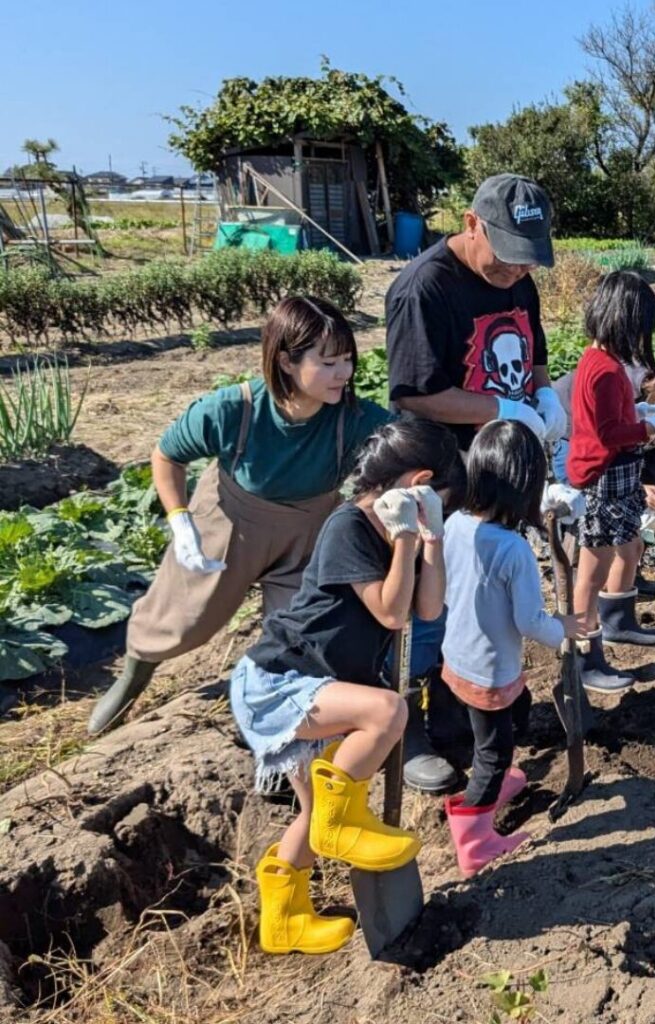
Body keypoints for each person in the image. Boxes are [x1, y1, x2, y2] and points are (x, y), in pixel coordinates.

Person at [88, 296, 392, 736]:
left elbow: (404, 442)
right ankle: (133, 677)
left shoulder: (355, 418)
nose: (343, 373)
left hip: (308, 530)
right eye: (327, 363)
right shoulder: (235, 409)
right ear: (287, 362)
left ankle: (288, 726)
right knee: (183, 616)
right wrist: (179, 519)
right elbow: (166, 455)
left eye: (347, 359)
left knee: (304, 631)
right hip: (231, 522)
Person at [230, 418, 465, 955]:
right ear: (420, 482)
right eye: (442, 503)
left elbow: (426, 608)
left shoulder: (402, 530)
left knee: (316, 810)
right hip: (280, 679)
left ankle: (284, 917)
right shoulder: (350, 527)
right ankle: (341, 826)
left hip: (323, 685)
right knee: (388, 712)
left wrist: (432, 538)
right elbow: (389, 612)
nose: (441, 513)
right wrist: (405, 540)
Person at [384, 173, 569, 790]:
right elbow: (417, 393)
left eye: (527, 261)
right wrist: (501, 409)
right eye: (507, 257)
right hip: (441, 473)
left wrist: (542, 393)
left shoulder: (519, 278)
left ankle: (469, 709)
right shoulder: (424, 289)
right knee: (425, 605)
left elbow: (533, 352)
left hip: (495, 473)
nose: (516, 273)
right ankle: (408, 730)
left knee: (478, 595)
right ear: (471, 224)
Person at [441, 420, 585, 876]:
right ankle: (474, 840)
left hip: (458, 655)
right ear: (529, 487)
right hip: (489, 668)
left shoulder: (456, 524)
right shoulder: (514, 550)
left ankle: (497, 785)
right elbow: (528, 621)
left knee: (516, 710)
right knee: (494, 751)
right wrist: (566, 632)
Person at [567, 272, 655, 691]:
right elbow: (608, 435)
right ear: (626, 321)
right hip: (602, 478)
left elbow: (614, 421)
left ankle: (617, 622)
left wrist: (642, 413)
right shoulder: (603, 371)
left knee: (629, 544)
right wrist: (651, 428)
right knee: (592, 567)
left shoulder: (601, 363)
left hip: (616, 476)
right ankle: (584, 655)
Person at [552, 360, 655, 599]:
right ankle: (582, 586)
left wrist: (651, 495)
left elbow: (654, 471)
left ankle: (623, 581)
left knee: (632, 536)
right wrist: (639, 489)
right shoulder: (629, 403)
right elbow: (599, 466)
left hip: (612, 467)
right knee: (593, 525)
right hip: (575, 448)